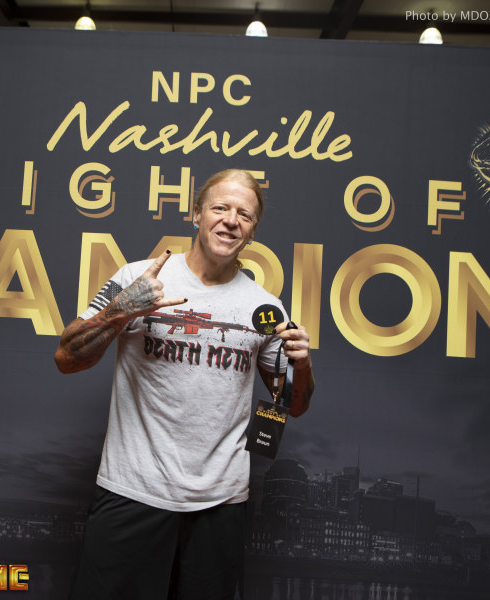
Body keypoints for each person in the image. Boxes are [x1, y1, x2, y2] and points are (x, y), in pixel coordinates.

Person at [54, 169, 315, 600]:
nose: (231, 220)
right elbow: (67, 358)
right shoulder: (138, 278)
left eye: (245, 215)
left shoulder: (266, 308)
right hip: (133, 491)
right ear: (196, 214)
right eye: (220, 207)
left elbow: (294, 405)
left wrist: (301, 366)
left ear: (252, 231)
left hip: (220, 504)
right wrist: (122, 309)